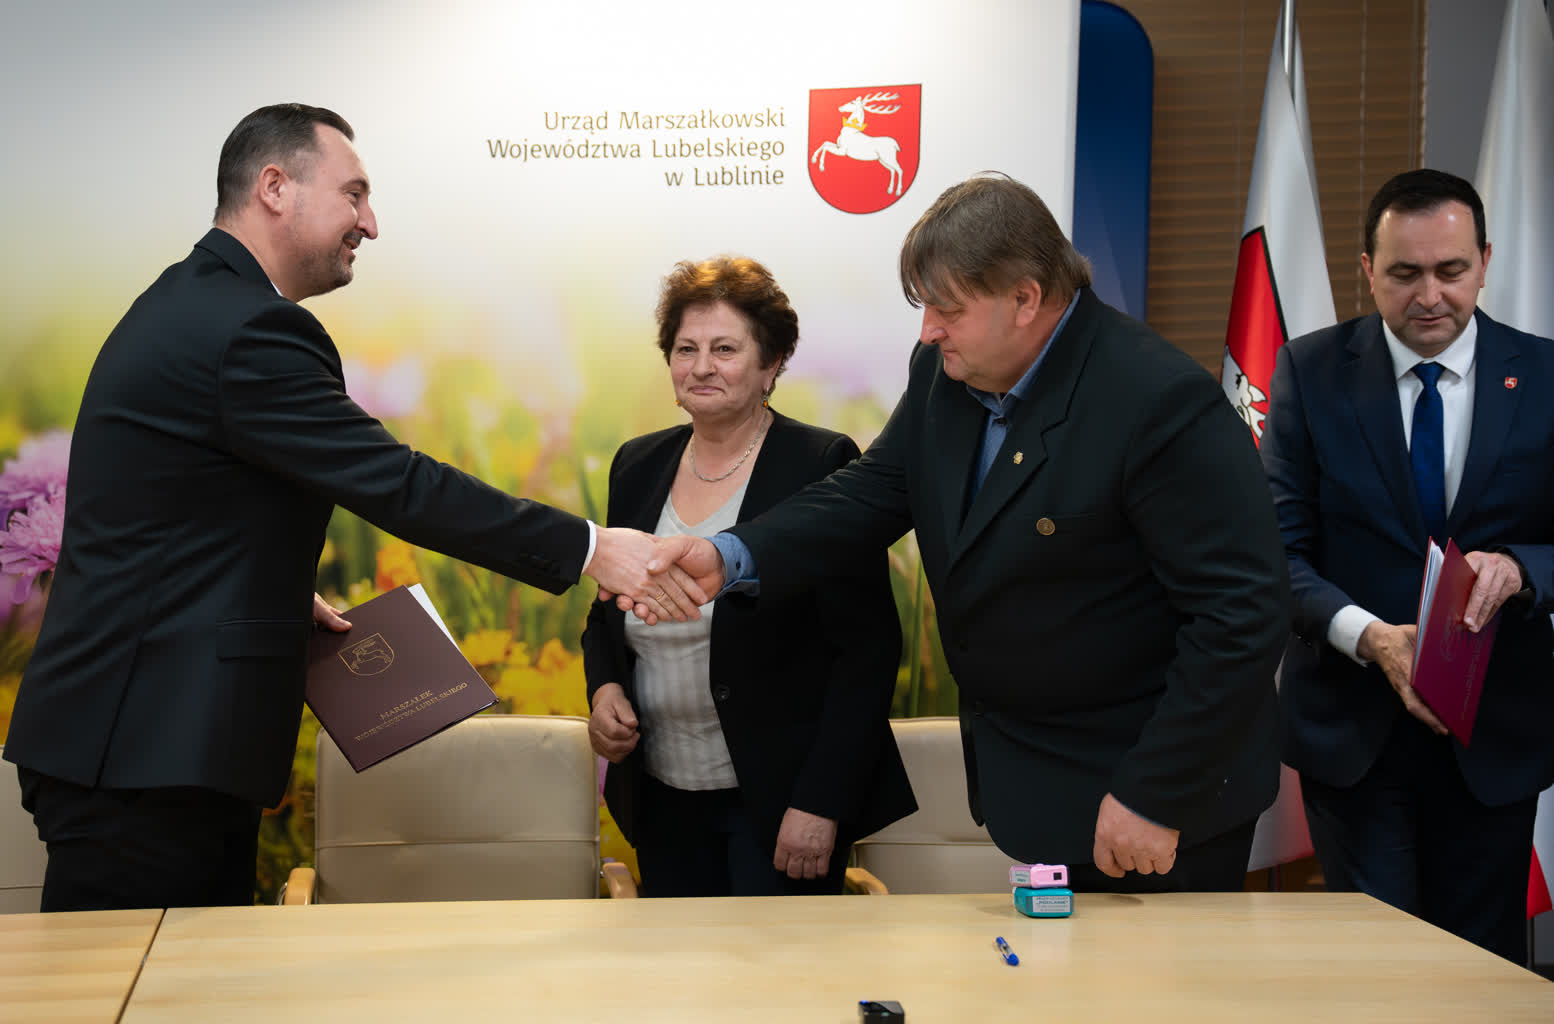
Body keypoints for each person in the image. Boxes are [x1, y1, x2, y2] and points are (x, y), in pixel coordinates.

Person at [3, 103, 700, 913]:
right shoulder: (250, 329)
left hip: (140, 748)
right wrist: (591, 549)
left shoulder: (190, 303)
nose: (370, 223)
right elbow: (398, 483)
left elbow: (167, 509)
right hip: (146, 759)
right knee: (133, 980)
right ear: (275, 187)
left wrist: (265, 586)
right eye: (354, 194)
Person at [632, 174, 1290, 892]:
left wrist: (1156, 791)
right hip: (1040, 784)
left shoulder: (1155, 402)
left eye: (947, 309)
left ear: (1025, 299)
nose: (928, 331)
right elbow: (873, 491)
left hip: (1148, 800)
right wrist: (730, 555)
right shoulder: (946, 374)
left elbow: (1239, 613)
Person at [1261, 168, 1554, 963]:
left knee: (1482, 973)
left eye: (1451, 270)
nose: (1430, 295)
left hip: (1494, 734)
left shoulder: (1545, 376)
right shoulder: (1310, 373)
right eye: (1404, 273)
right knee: (1376, 972)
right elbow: (1275, 552)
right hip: (1354, 736)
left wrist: (1523, 568)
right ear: (1368, 270)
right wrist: (1369, 637)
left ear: (1485, 262)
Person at [582, 256, 915, 896]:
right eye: (686, 349)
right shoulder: (637, 463)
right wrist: (604, 690)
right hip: (661, 793)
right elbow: (605, 612)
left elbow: (867, 649)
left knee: (775, 963)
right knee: (678, 960)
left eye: (726, 349)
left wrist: (821, 803)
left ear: (772, 363)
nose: (701, 366)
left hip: (780, 801)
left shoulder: (820, 462)